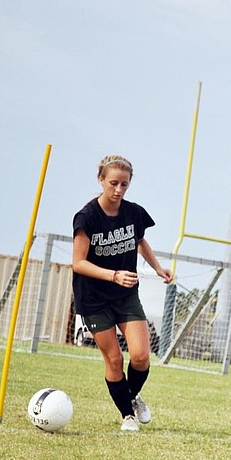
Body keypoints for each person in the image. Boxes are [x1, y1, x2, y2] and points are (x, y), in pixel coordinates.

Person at [71, 155, 173, 431]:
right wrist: (113, 275)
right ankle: (127, 415)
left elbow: (140, 241)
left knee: (141, 356)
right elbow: (78, 262)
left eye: (124, 185)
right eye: (113, 183)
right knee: (114, 359)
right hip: (94, 299)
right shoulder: (87, 217)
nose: (118, 190)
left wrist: (159, 268)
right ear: (101, 180)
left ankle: (131, 396)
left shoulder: (133, 213)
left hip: (125, 295)